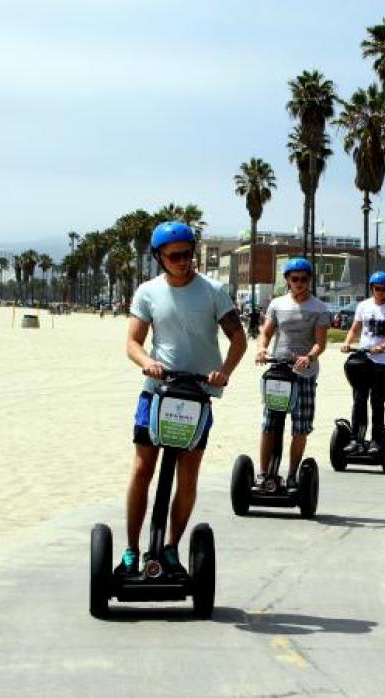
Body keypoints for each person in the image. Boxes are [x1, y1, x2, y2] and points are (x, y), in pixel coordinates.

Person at [119, 221, 247, 575]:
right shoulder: (148, 292)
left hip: (197, 393)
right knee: (143, 468)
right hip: (157, 393)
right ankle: (131, 549)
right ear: (160, 257)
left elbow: (238, 338)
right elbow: (132, 342)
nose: (182, 262)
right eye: (174, 256)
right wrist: (148, 363)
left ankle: (172, 548)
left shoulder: (214, 291)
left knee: (187, 475)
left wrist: (224, 372)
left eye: (187, 255)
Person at [255, 258, 330, 488]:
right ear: (287, 280)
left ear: (309, 280)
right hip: (278, 369)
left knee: (300, 426)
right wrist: (261, 349)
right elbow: (266, 332)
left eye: (304, 279)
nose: (299, 283)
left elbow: (320, 343)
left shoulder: (319, 308)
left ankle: (292, 475)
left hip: (304, 375)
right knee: (270, 423)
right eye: (294, 279)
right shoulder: (277, 304)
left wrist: (309, 357)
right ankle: (264, 473)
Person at [340, 271, 385, 455]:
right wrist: (347, 342)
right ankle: (356, 439)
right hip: (363, 359)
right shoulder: (363, 306)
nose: (381, 292)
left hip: (381, 362)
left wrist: (382, 347)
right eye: (377, 289)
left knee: (377, 401)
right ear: (372, 289)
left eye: (384, 289)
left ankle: (376, 440)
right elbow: (355, 328)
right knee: (359, 399)